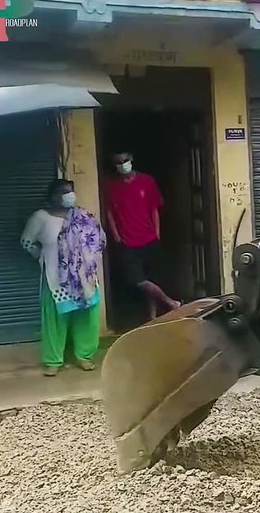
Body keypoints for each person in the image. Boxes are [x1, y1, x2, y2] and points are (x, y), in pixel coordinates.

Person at [21, 179, 106, 376]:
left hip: (85, 280)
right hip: (55, 279)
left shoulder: (83, 216)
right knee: (55, 320)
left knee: (86, 318)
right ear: (52, 196)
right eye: (63, 192)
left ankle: (84, 356)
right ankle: (53, 361)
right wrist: (43, 257)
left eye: (70, 191)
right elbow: (27, 242)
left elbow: (99, 240)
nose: (68, 195)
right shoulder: (40, 218)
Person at [104, 152, 180, 320]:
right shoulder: (111, 186)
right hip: (127, 241)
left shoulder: (147, 181)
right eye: (118, 162)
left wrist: (156, 233)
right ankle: (170, 302)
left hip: (149, 238)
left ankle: (152, 318)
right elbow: (109, 212)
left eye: (125, 161)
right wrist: (116, 235)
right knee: (137, 280)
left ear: (131, 160)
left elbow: (154, 209)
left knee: (151, 279)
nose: (123, 164)